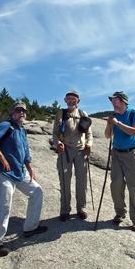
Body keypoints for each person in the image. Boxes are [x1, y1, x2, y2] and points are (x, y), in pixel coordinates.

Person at [0, 102, 47, 257]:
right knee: (4, 205)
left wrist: (30, 167)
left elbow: (25, 151)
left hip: (20, 172)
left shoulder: (22, 131)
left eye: (24, 112)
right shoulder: (6, 125)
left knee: (37, 192)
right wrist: (2, 158)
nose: (22, 114)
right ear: (12, 113)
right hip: (4, 172)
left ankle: (30, 228)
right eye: (18, 111)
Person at [104, 91, 135, 232]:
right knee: (116, 185)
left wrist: (118, 123)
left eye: (115, 100)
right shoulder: (114, 116)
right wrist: (110, 124)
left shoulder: (134, 114)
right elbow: (108, 136)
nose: (113, 103)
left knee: (134, 186)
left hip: (130, 154)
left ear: (123, 101)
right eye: (112, 101)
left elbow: (134, 131)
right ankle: (120, 213)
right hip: (116, 154)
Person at [52, 90, 93, 221]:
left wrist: (89, 144)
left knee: (82, 182)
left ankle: (81, 208)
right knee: (65, 181)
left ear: (78, 101)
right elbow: (55, 133)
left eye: (73, 99)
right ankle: (65, 210)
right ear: (65, 100)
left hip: (81, 151)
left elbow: (89, 133)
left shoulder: (83, 114)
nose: (71, 100)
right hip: (65, 150)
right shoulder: (61, 113)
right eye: (68, 98)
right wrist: (58, 142)